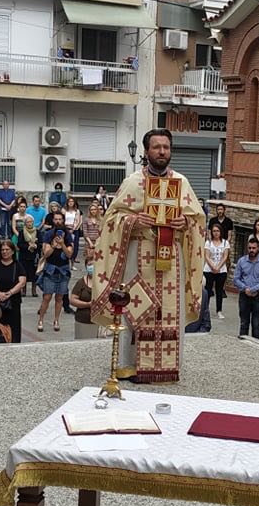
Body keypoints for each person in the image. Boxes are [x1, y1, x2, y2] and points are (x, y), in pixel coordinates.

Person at [91, 129, 206, 382]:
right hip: (138, 256)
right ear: (146, 151)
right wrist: (132, 220)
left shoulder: (182, 183)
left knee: (169, 310)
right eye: (156, 147)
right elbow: (110, 220)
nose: (162, 151)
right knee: (134, 306)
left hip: (172, 260)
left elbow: (198, 220)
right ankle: (129, 364)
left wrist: (184, 223)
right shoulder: (133, 182)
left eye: (166, 147)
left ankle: (166, 366)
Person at [36, 211, 74, 332]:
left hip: (63, 271)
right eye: (56, 219)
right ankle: (41, 319)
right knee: (46, 297)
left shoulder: (67, 235)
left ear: (63, 220)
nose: (58, 221)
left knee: (59, 298)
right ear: (53, 220)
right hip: (50, 270)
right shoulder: (48, 234)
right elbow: (45, 254)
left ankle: (56, 320)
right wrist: (53, 245)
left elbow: (69, 254)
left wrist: (62, 244)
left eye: (60, 219)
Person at [0, 239, 26, 343]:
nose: (4, 252)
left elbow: (22, 281)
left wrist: (10, 293)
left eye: (7, 249)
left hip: (13, 301)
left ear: (12, 251)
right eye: (2, 250)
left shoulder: (18, 265)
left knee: (14, 326)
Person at [234, 238, 259, 339]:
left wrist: (253, 289)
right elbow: (236, 279)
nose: (251, 250)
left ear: (258, 248)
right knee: (244, 322)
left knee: (256, 323)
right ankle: (242, 345)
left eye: (254, 248)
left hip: (258, 296)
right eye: (249, 248)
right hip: (244, 295)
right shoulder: (241, 261)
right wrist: (245, 289)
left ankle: (256, 346)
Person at [203, 222, 231, 319]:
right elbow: (206, 256)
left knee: (219, 291)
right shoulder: (208, 242)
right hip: (209, 270)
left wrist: (218, 267)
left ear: (220, 232)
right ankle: (205, 309)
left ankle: (219, 310)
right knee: (208, 290)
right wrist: (213, 267)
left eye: (217, 231)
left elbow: (225, 256)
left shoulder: (225, 243)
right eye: (214, 231)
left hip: (221, 270)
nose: (216, 233)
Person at [70, 254, 99, 339]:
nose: (92, 267)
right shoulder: (81, 282)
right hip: (83, 320)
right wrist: (87, 304)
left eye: (94, 264)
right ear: (86, 266)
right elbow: (73, 300)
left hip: (99, 321)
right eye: (89, 265)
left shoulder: (103, 282)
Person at [19, 213, 39, 296]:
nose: (29, 223)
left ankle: (34, 290)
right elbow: (19, 244)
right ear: (25, 223)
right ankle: (23, 290)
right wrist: (28, 246)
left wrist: (35, 245)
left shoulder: (37, 231)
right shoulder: (21, 232)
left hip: (34, 256)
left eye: (31, 222)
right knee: (24, 273)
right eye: (27, 222)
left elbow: (41, 243)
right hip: (24, 255)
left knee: (34, 274)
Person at [64, 196, 82, 267]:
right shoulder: (64, 210)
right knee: (67, 244)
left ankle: (73, 261)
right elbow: (63, 220)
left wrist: (73, 229)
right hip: (66, 228)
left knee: (75, 245)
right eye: (69, 202)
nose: (71, 203)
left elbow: (77, 221)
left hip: (74, 230)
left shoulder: (77, 211)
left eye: (72, 202)